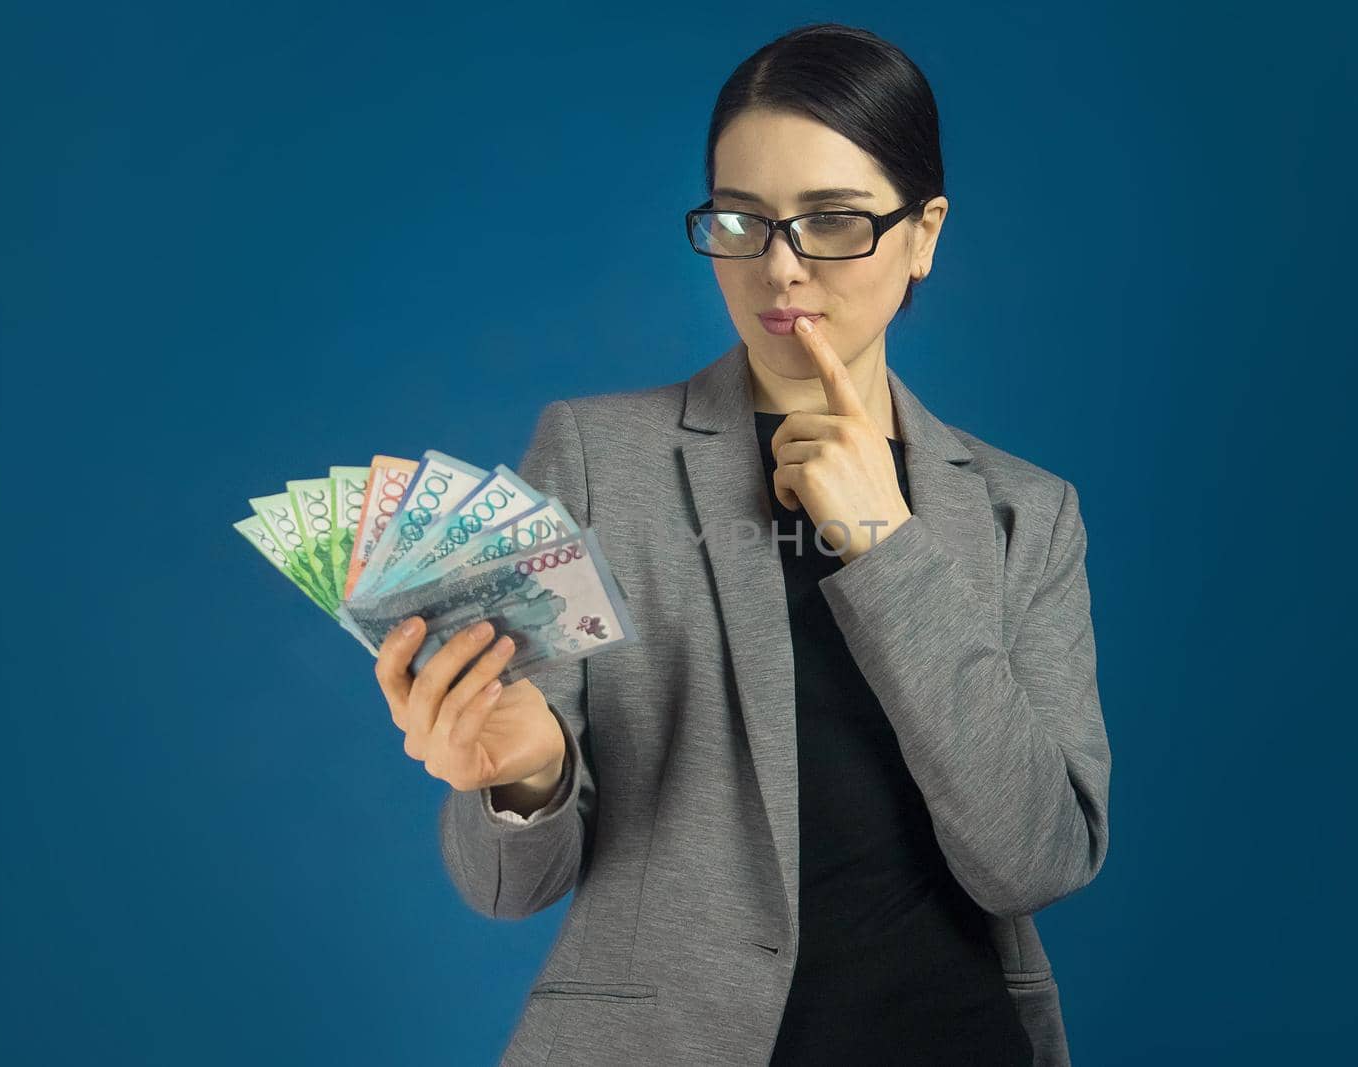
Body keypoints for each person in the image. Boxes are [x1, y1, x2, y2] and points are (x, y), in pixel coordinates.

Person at [371, 22, 1111, 1067]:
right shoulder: (593, 456)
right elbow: (508, 885)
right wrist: (523, 777)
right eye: (742, 221)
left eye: (833, 221)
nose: (780, 269)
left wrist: (886, 546)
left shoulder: (1023, 511)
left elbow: (1035, 858)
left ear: (923, 233)